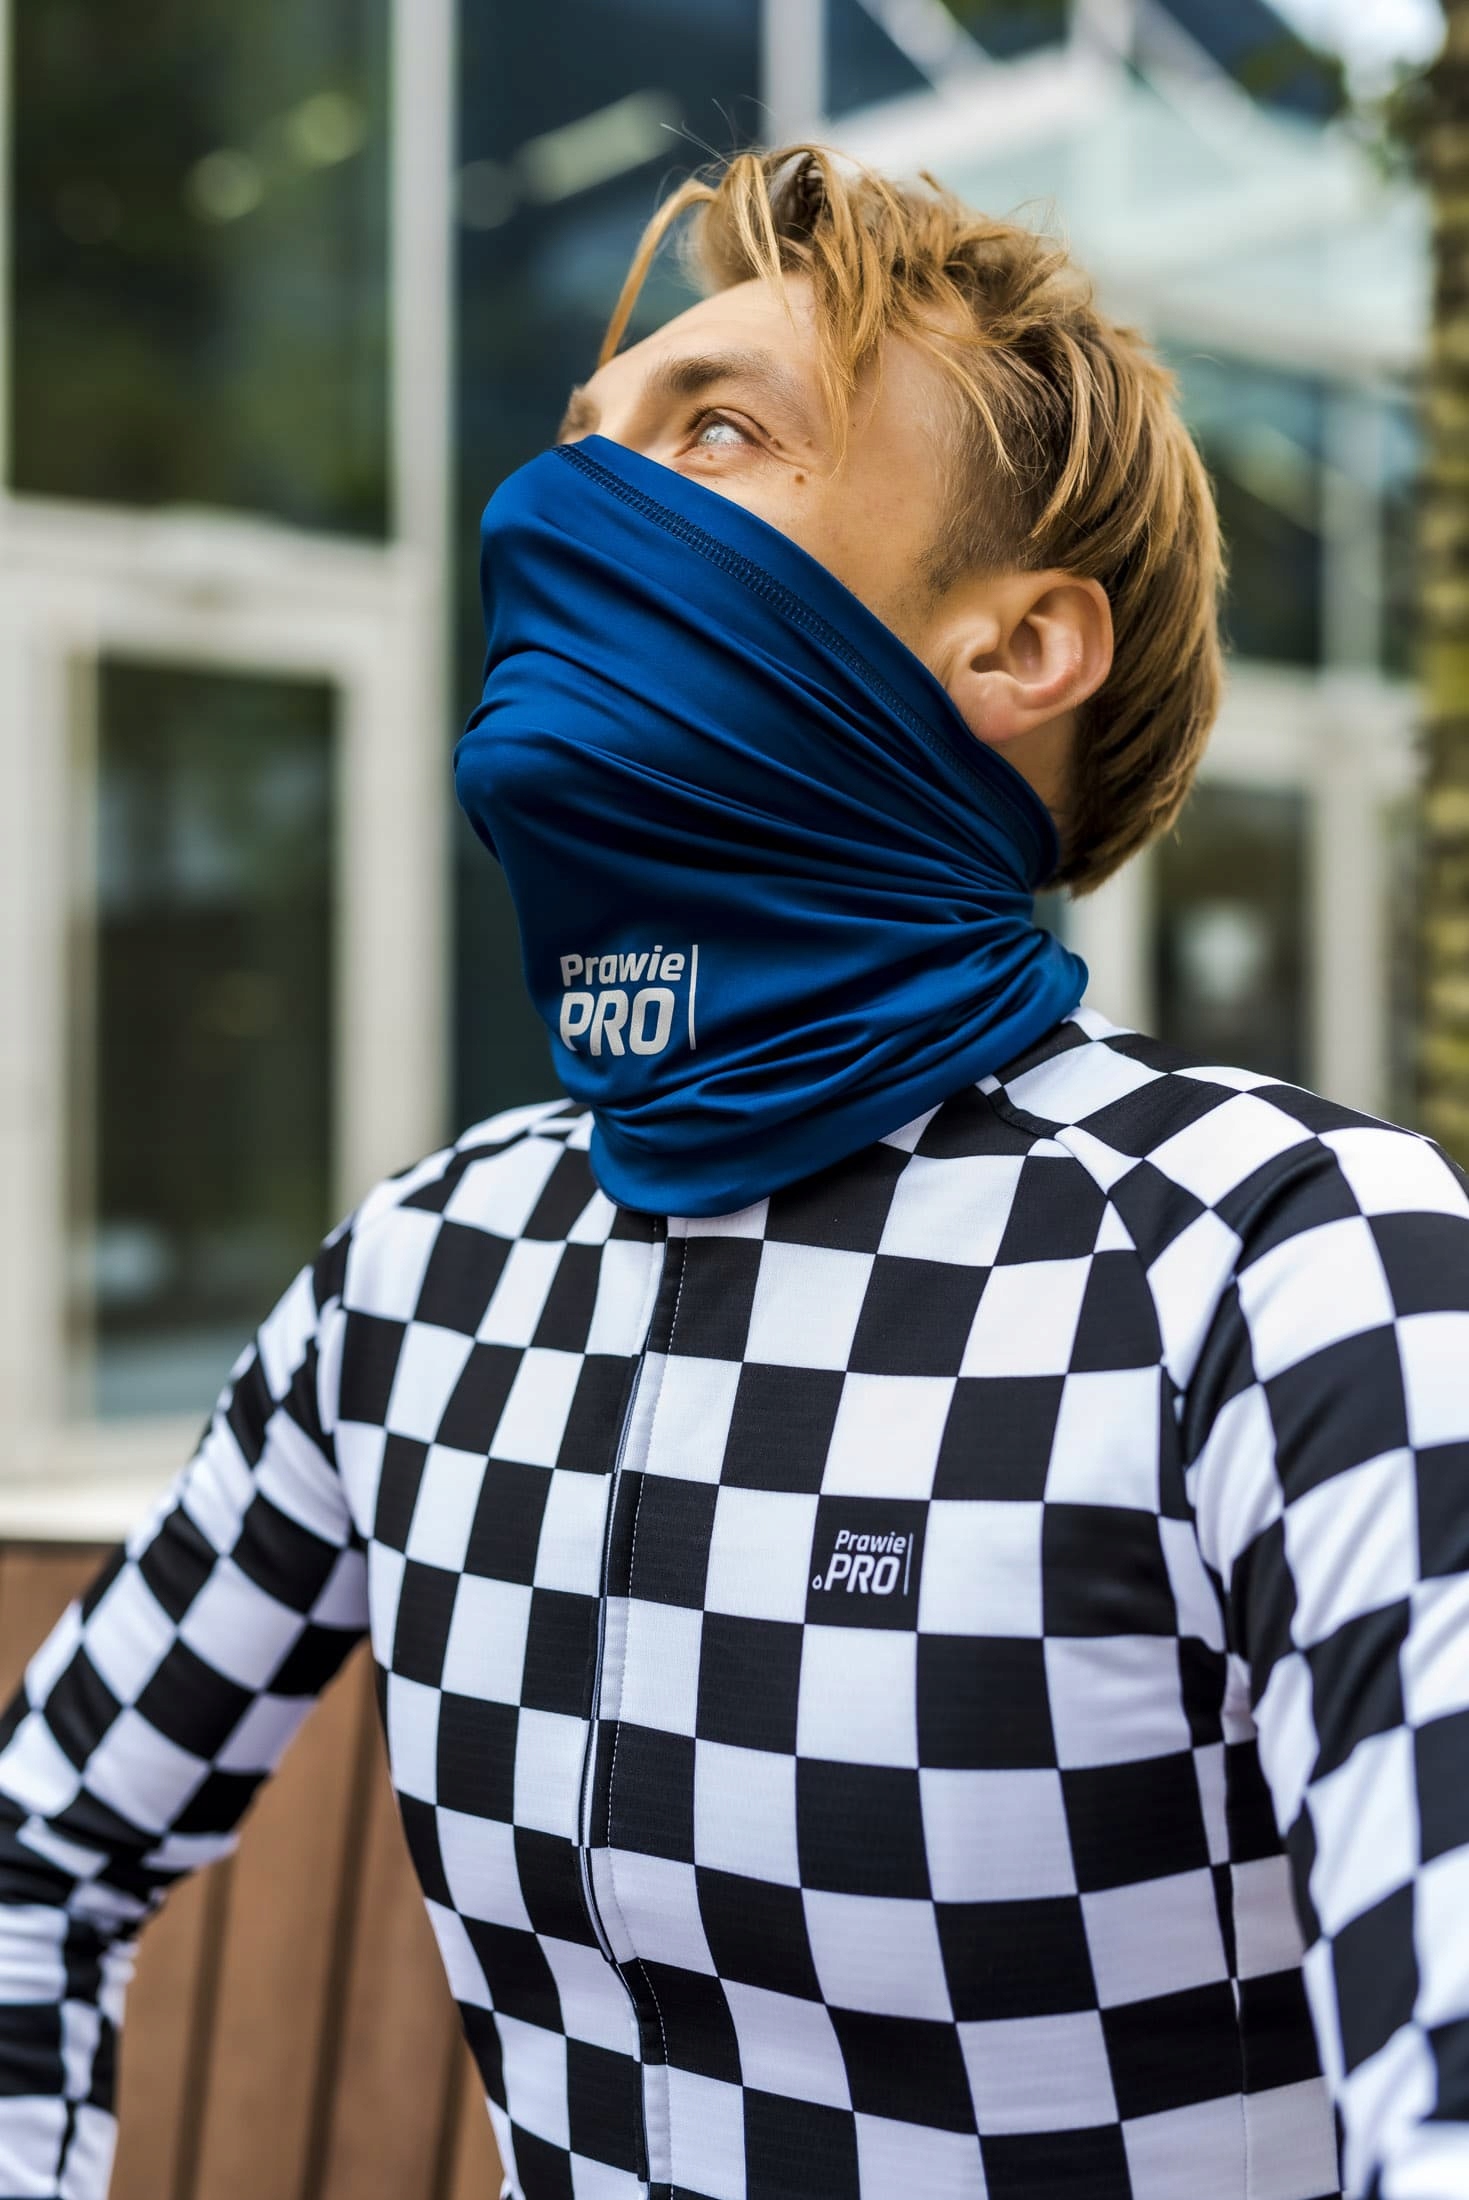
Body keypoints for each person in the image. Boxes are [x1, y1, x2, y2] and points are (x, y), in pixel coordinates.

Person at [0, 144, 1463, 2200]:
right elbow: (35, 1856)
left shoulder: (1279, 1265)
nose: (550, 510)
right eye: (579, 438)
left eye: (716, 434)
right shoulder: (424, 1271)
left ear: (1018, 646)